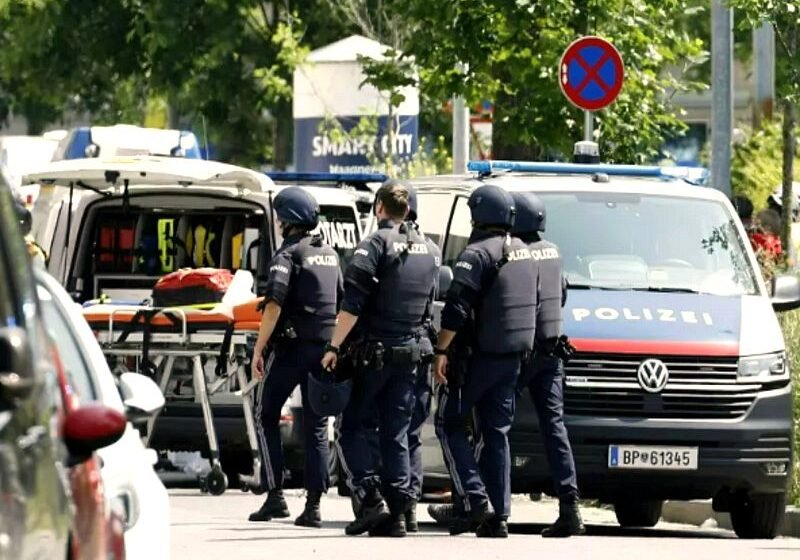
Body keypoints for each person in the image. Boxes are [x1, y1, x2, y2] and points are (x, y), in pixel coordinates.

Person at [321, 180, 439, 538]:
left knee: (351, 427)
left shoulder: (374, 244)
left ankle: (371, 498)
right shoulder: (431, 249)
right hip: (412, 355)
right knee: (397, 432)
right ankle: (400, 514)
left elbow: (352, 305)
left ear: (378, 208)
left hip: (375, 355)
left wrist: (333, 347)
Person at [432, 184, 538, 538]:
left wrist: (441, 351)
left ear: (479, 215)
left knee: (448, 423)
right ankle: (499, 515)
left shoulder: (475, 254)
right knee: (496, 433)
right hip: (513, 359)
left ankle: (475, 498)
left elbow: (456, 308)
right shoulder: (524, 251)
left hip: (477, 359)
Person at [248, 187, 343, 528]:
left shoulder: (286, 255)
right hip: (324, 351)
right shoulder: (330, 254)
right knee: (316, 426)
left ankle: (275, 495)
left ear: (287, 220)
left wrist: (259, 348)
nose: (277, 223)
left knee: (264, 413)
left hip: (291, 350)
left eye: (279, 218)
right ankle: (313, 506)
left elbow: (273, 305)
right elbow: (340, 299)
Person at [511, 191, 585, 538]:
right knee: (555, 428)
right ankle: (570, 507)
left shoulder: (516, 252)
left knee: (489, 423)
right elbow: (562, 294)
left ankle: (479, 505)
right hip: (552, 352)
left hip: (521, 352)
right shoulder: (553, 251)